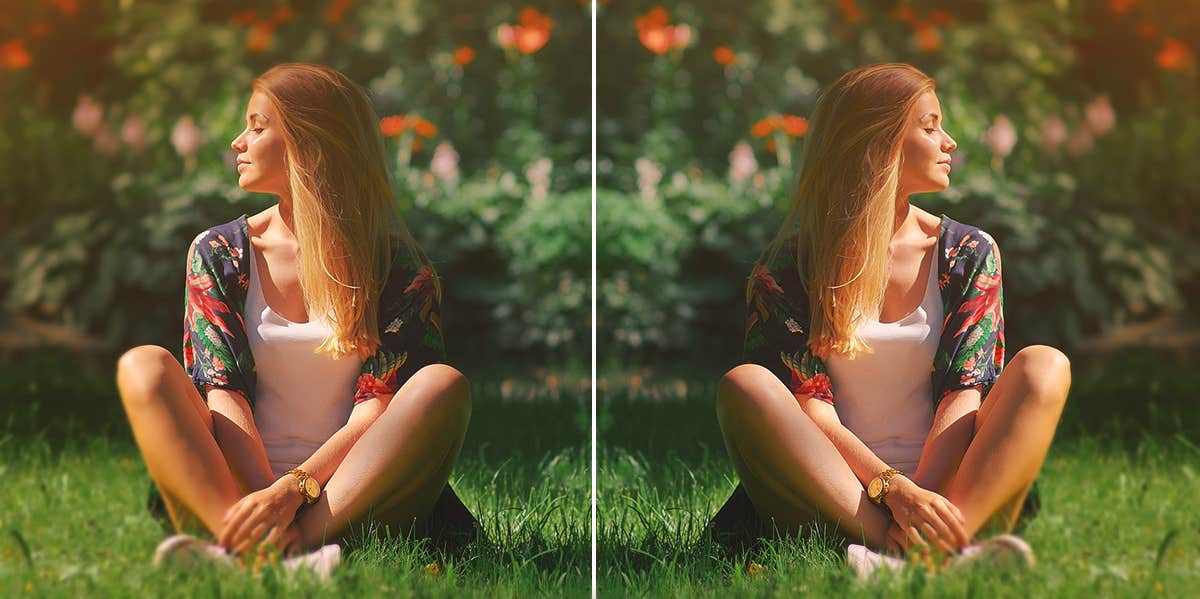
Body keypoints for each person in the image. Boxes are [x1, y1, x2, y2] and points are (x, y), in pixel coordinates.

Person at [707, 63, 1071, 569]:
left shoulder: (967, 252)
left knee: (1045, 365)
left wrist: (922, 503)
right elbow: (812, 411)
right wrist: (891, 494)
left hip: (951, 489)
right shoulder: (790, 266)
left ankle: (926, 550)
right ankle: (904, 554)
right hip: (839, 490)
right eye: (929, 126)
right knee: (745, 385)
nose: (950, 142)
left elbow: (963, 395)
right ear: (875, 141)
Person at [115, 63, 476, 567]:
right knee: (142, 366)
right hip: (236, 492)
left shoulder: (397, 266)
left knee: (442, 385)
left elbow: (376, 411)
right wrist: (264, 504)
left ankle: (283, 554)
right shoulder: (219, 252)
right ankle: (255, 549)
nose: (238, 142)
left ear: (313, 142)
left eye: (258, 127)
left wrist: (294, 495)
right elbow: (224, 395)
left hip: (349, 494)